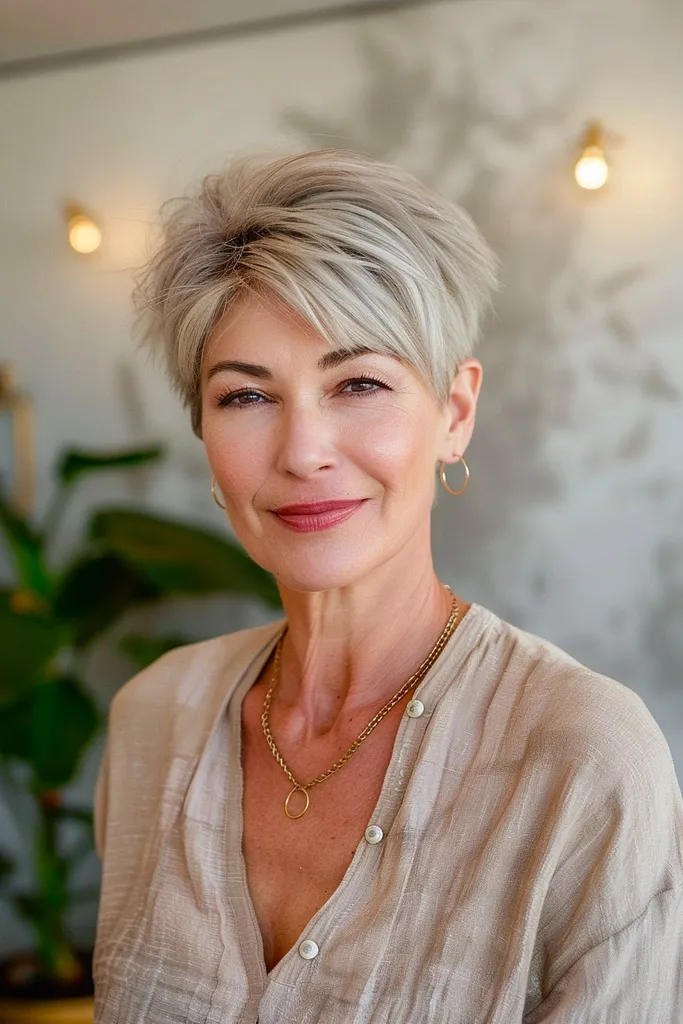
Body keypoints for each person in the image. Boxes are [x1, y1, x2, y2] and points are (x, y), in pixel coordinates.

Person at [93, 148, 683, 1023]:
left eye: (358, 383)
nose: (303, 452)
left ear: (454, 413)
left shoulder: (583, 758)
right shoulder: (153, 718)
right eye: (246, 397)